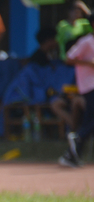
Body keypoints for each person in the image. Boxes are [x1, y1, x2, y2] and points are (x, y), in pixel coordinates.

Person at [59, 13, 94, 168]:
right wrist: (88, 63)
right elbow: (68, 58)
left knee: (89, 119)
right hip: (89, 85)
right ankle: (79, 136)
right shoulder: (86, 41)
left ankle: (71, 155)